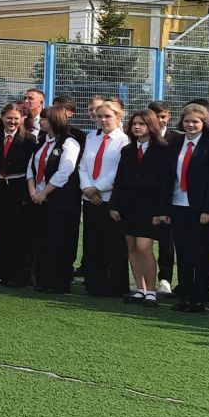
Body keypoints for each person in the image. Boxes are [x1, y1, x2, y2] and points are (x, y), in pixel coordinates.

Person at [110, 108, 173, 304]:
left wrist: (161, 211)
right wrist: (114, 205)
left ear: (150, 126)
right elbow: (119, 179)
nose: (137, 127)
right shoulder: (127, 150)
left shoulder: (163, 150)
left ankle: (152, 292)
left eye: (142, 124)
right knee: (131, 246)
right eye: (134, 124)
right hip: (128, 205)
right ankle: (139, 289)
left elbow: (166, 183)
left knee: (144, 246)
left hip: (150, 206)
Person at [167, 103, 209, 314]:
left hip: (200, 209)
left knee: (202, 253)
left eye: (195, 121)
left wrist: (208, 210)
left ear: (204, 123)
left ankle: (200, 296)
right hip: (178, 204)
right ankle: (185, 295)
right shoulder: (175, 143)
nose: (190, 125)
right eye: (187, 121)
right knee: (182, 252)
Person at [26, 106, 84, 293]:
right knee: (42, 240)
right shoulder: (42, 142)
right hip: (39, 198)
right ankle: (43, 279)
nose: (40, 122)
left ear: (53, 121)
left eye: (43, 119)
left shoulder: (69, 143)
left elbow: (65, 171)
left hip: (61, 201)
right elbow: (31, 168)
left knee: (59, 240)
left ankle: (59, 282)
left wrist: (45, 192)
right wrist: (34, 190)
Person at [78, 99, 128, 298]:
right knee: (93, 242)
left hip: (110, 199)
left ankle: (114, 285)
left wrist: (97, 188)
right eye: (99, 116)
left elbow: (119, 171)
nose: (103, 120)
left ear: (118, 117)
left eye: (107, 116)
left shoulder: (124, 140)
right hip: (90, 197)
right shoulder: (91, 137)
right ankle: (94, 283)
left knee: (113, 244)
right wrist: (87, 189)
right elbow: (82, 165)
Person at [0, 102, 36, 287]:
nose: (12, 122)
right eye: (8, 118)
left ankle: (17, 275)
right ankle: (0, 272)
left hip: (18, 187)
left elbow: (32, 168)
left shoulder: (29, 140)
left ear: (22, 119)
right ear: (2, 118)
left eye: (16, 118)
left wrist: (26, 195)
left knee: (18, 232)